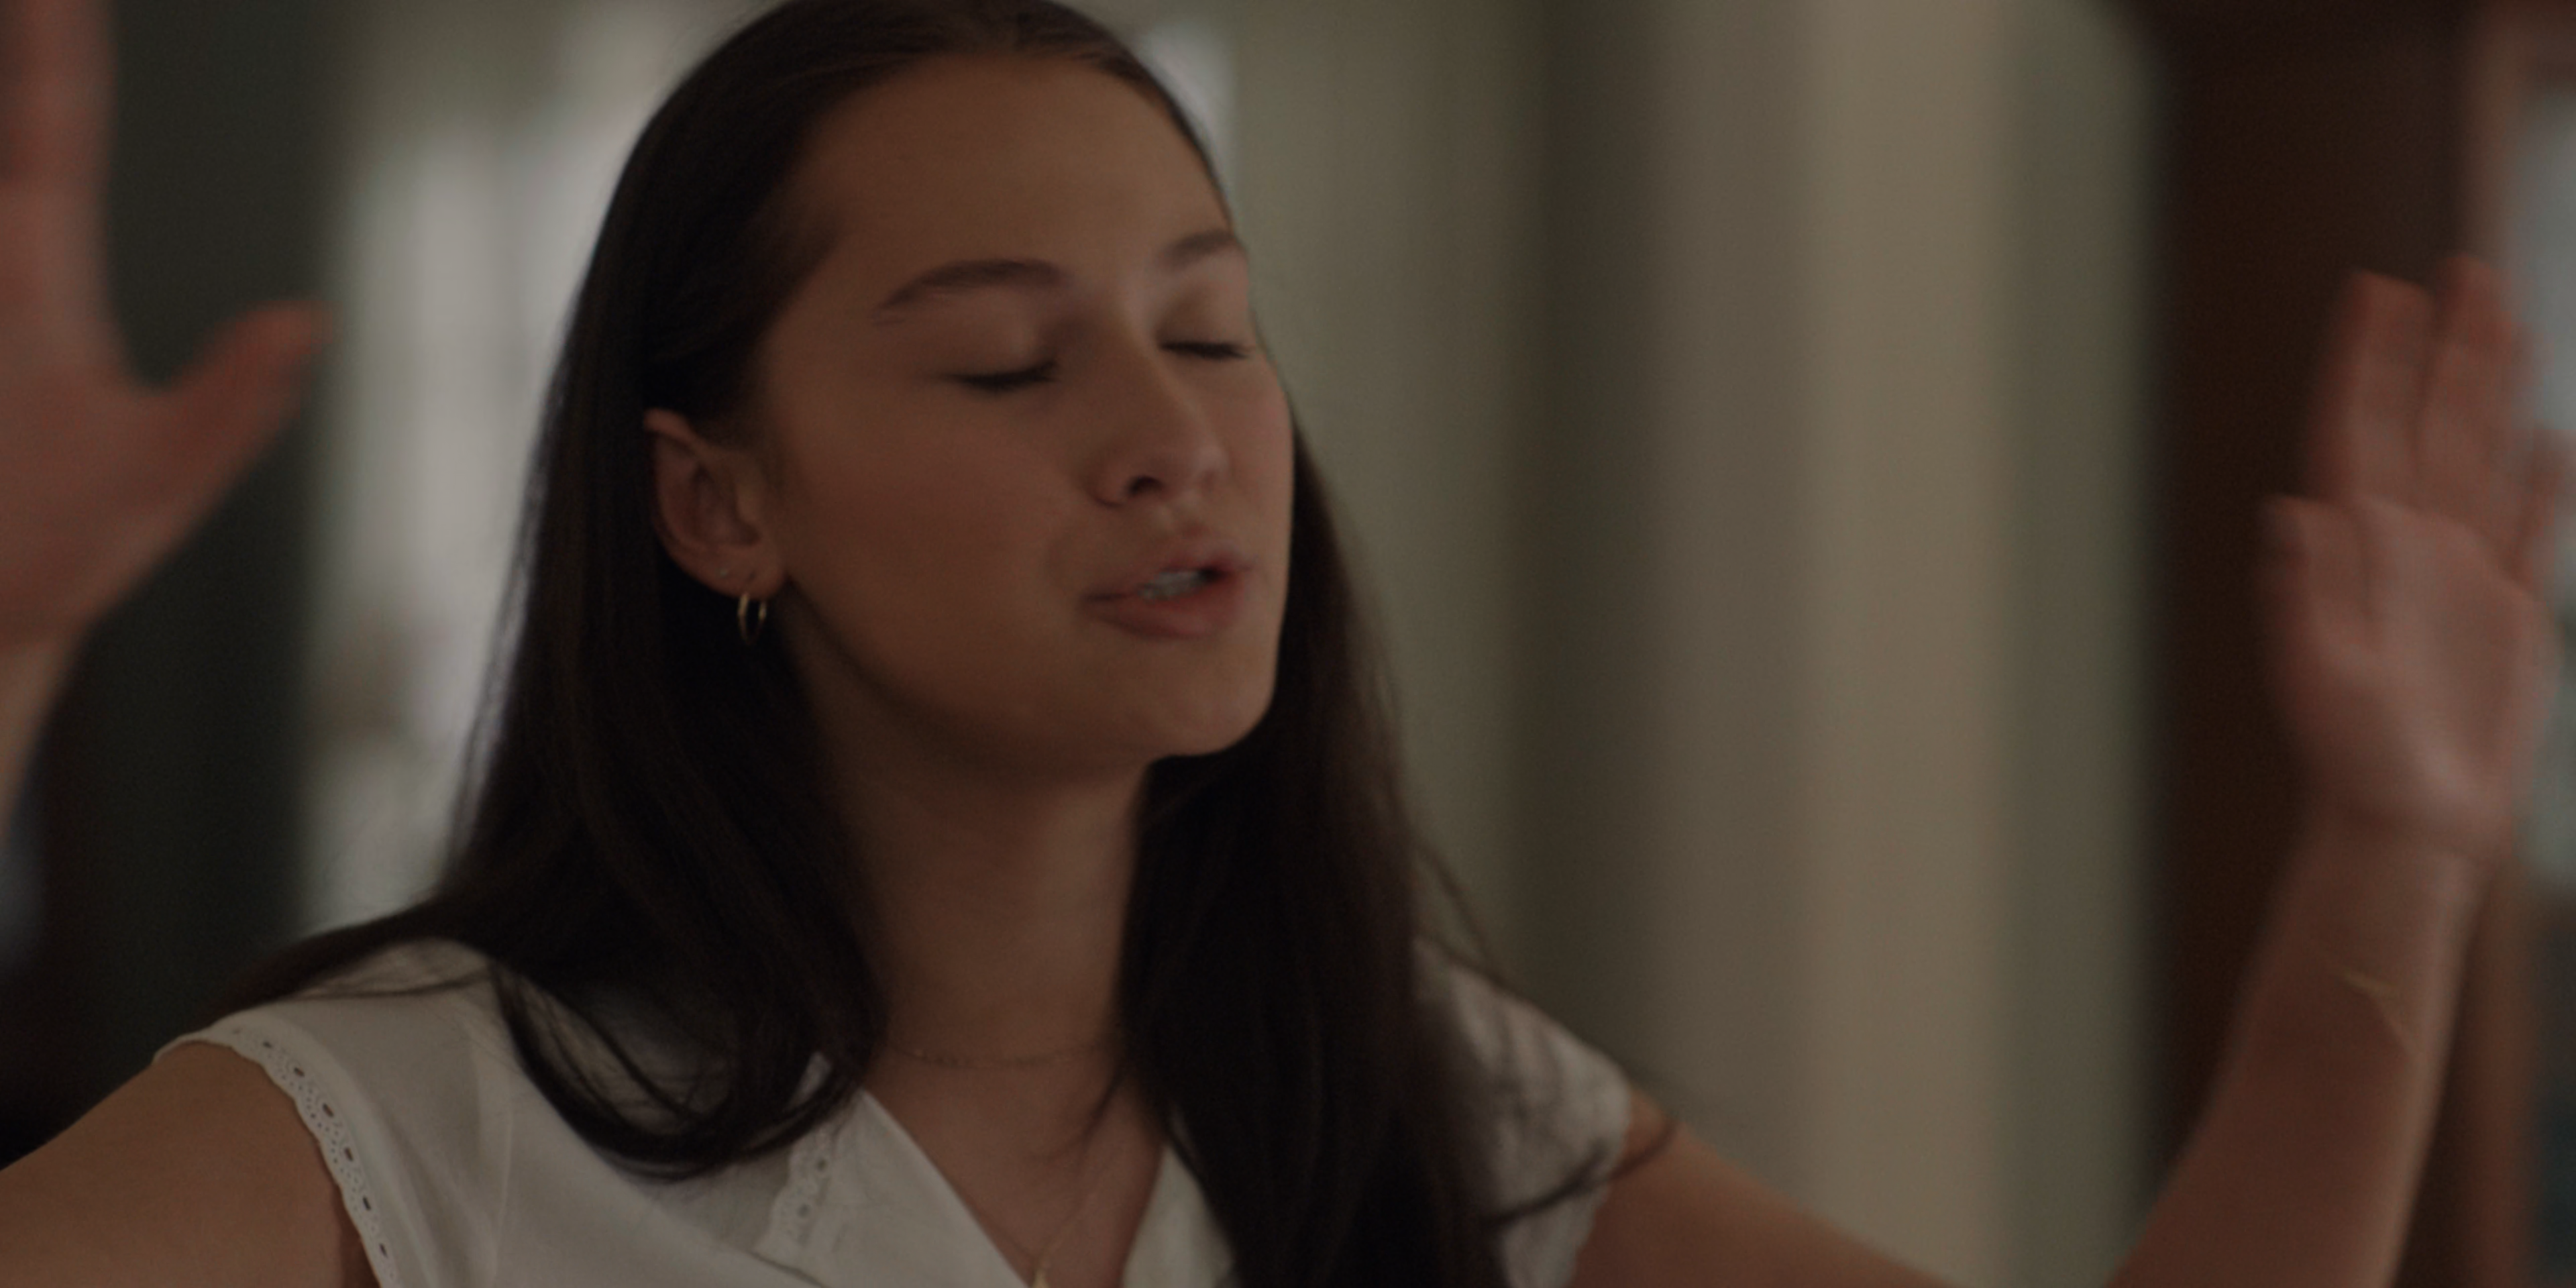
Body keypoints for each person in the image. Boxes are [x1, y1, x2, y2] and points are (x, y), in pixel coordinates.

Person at [0, 0, 2559, 1283]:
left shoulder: (1397, 1093)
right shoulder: (419, 1126)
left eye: (1211, 330)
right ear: (715, 497)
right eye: (1009, 364)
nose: (1175, 439)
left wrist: (2403, 842)